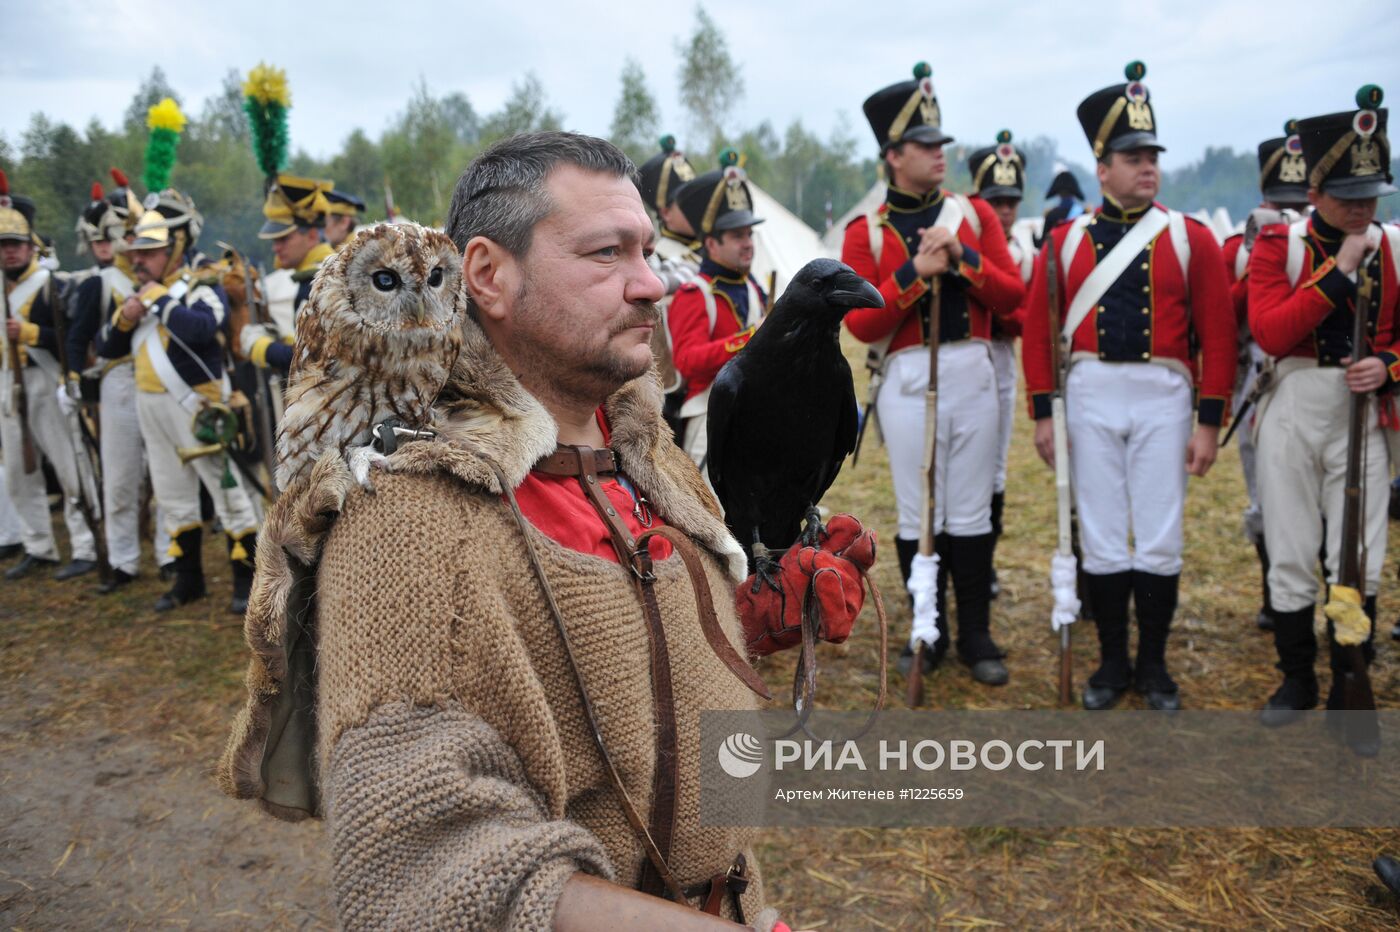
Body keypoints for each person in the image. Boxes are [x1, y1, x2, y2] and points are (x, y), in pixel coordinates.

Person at [221, 131, 874, 930]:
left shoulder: (645, 448)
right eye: (607, 253)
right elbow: (414, 862)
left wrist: (745, 620)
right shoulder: (408, 516)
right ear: (488, 275)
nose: (650, 286)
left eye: (647, 251)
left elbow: (617, 666)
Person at [1021, 61, 1235, 712]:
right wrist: (1043, 414)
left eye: (1151, 155)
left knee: (1162, 534)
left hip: (1165, 397)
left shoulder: (1191, 238)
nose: (1147, 165)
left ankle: (1155, 665)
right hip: (1087, 396)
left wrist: (1208, 421)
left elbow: (1218, 337)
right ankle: (1113, 663)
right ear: (1102, 165)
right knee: (1107, 535)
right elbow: (1037, 332)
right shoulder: (1063, 243)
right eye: (1132, 155)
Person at [841, 62, 1025, 685]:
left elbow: (1013, 296)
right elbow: (862, 324)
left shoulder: (974, 216)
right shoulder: (863, 230)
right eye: (924, 144)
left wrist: (964, 258)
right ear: (893, 156)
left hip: (973, 369)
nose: (939, 153)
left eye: (940, 142)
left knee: (971, 512)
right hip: (905, 377)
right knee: (918, 511)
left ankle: (976, 632)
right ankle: (930, 629)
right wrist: (916, 272)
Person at [1248, 85, 1398, 726]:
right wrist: (1337, 271)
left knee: (1357, 550)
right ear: (1314, 193)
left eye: (1370, 196)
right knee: (1289, 543)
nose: (1363, 209)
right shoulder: (1276, 248)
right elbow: (1273, 332)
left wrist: (1390, 366)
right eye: (1347, 197)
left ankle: (1349, 683)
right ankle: (1296, 678)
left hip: (1362, 410)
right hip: (1292, 404)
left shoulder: (1394, 248)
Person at [100, 189, 261, 613]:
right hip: (150, 405)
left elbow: (202, 328)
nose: (140, 260)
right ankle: (188, 580)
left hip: (197, 407)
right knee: (172, 496)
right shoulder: (138, 297)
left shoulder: (199, 286)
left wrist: (156, 297)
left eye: (150, 252)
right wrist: (126, 316)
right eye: (137, 252)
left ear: (174, 249)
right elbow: (106, 348)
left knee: (228, 495)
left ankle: (247, 581)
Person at [1219, 121, 1312, 632]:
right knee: (1265, 493)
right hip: (1260, 383)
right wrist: (1256, 262)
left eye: (1299, 203)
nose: (1292, 214)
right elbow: (1220, 320)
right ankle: (1274, 593)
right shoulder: (1239, 247)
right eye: (1283, 203)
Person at [0, 170, 99, 581]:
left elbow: (74, 339)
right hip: (11, 387)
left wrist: (33, 333)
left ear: (30, 246)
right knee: (20, 473)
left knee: (70, 468)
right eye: (3, 246)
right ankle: (38, 545)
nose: (9, 253)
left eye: (16, 245)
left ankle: (87, 547)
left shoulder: (51, 287)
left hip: (46, 382)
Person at [67, 168, 157, 592]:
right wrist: (73, 379)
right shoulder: (100, 283)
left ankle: (173, 553)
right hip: (119, 380)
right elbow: (78, 338)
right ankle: (123, 559)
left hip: (158, 379)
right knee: (120, 476)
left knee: (166, 472)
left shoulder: (158, 275)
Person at [667, 149, 769, 472]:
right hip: (710, 416)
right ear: (711, 244)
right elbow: (687, 361)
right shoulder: (694, 293)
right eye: (737, 235)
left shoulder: (752, 287)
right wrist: (750, 339)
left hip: (757, 412)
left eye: (749, 234)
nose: (748, 242)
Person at [966, 129, 1036, 597]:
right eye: (996, 200)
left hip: (1001, 358)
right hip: (968, 355)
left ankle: (984, 561)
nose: (1004, 210)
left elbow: (1023, 317)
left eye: (1011, 201)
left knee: (994, 466)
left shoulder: (1025, 254)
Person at [239, 175, 334, 376]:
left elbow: (310, 360)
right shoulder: (321, 275)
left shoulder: (319, 282)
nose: (276, 247)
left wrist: (261, 347)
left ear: (311, 236)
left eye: (284, 239)